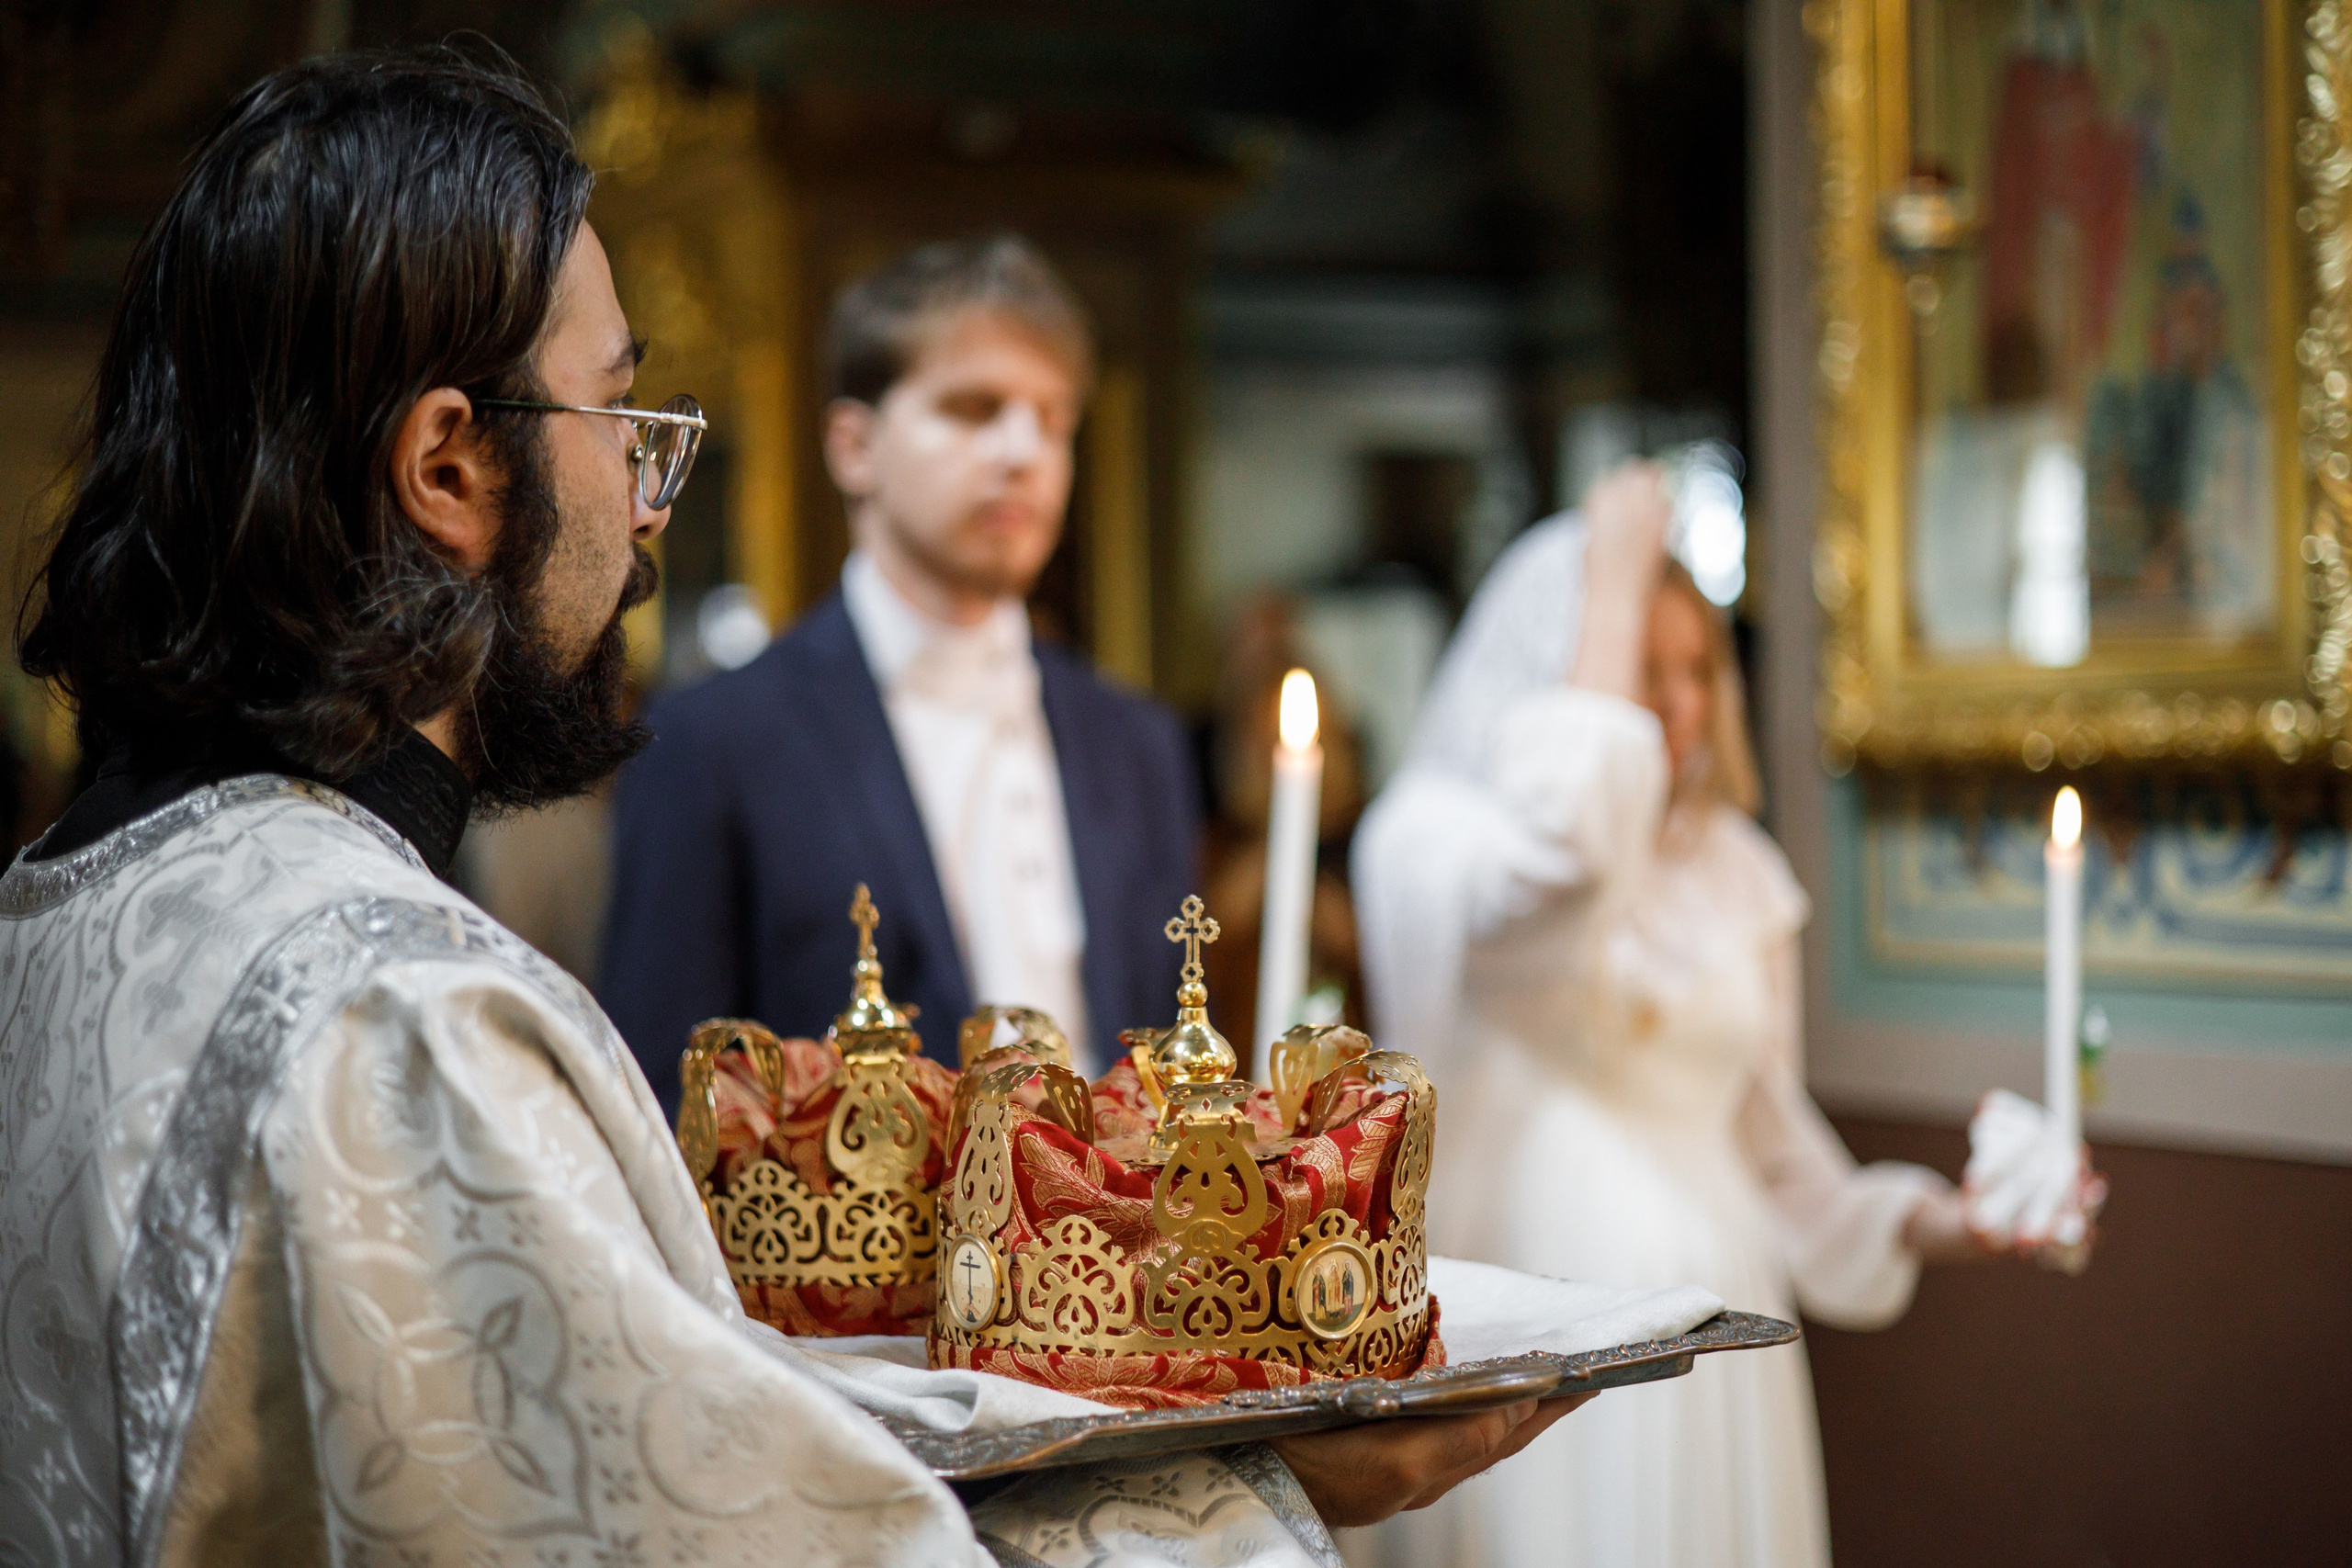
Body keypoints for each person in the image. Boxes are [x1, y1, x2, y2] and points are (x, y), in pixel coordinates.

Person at [0, 49, 1582, 1567]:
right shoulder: (401, 1023)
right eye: (620, 418)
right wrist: (1257, 1476)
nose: (642, 505)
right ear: (448, 467)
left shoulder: (72, 906)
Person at [1351, 463, 2000, 1568]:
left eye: (1694, 667)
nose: (1673, 702)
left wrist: (1944, 1223)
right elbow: (1562, 859)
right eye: (1634, 664)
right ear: (1545, 672)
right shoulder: (1438, 847)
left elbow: (1771, 1153)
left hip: (1716, 1339)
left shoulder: (1737, 872)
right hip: (1530, 1358)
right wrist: (1606, 582)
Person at [601, 234, 1194, 1109]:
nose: (1024, 451)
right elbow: (660, 1096)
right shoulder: (714, 741)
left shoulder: (1137, 742)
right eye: (975, 408)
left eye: (1054, 417)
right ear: (855, 446)